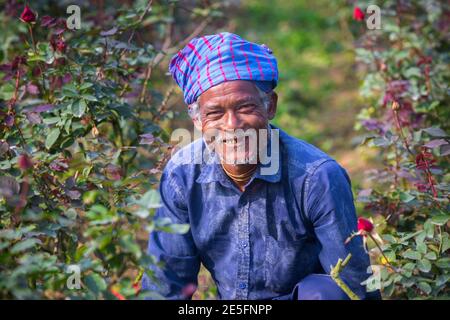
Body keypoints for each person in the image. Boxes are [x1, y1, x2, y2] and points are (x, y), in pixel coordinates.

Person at [142, 32, 380, 300]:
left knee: (326, 293)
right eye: (215, 113)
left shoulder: (317, 177)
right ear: (198, 121)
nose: (232, 125)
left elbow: (355, 286)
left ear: (270, 106)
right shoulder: (181, 175)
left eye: (245, 107)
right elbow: (165, 285)